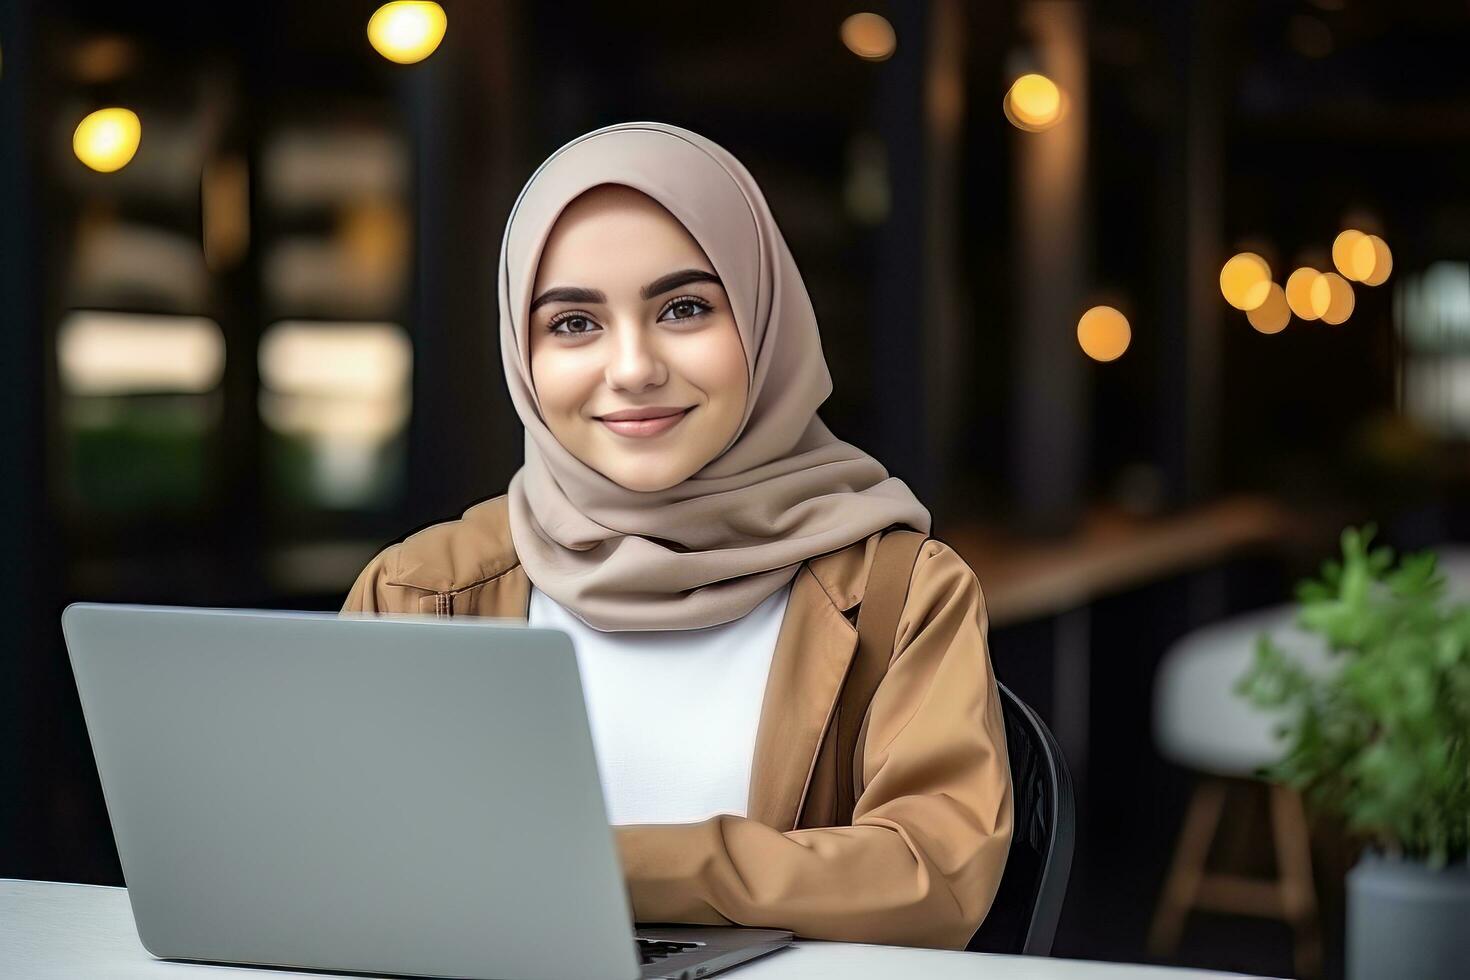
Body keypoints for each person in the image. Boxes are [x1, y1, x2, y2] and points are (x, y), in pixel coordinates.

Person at [342, 121, 1012, 950]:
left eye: (685, 308)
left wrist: (608, 865)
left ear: (766, 322)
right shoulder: (419, 590)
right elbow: (339, 863)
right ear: (521, 353)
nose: (633, 368)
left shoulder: (901, 592)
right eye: (574, 324)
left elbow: (935, 875)